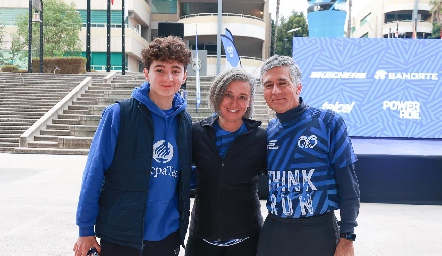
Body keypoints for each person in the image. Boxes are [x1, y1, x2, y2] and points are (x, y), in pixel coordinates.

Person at [73, 35, 192, 256]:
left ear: (184, 76)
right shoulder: (119, 115)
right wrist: (85, 229)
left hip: (167, 237)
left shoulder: (185, 122)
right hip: (122, 235)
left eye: (175, 70)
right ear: (146, 73)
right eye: (160, 70)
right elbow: (94, 173)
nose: (168, 77)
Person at [256, 55, 360, 256]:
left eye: (282, 83)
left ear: (298, 87)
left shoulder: (328, 123)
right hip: (275, 231)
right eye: (268, 85)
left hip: (319, 232)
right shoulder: (269, 130)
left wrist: (348, 237)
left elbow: (349, 185)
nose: (275, 91)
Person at [185, 68, 267, 256]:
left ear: (250, 101)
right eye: (228, 95)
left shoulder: (261, 138)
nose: (234, 103)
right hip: (201, 239)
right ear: (217, 94)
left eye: (242, 97)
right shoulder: (196, 133)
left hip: (247, 240)